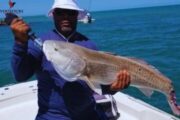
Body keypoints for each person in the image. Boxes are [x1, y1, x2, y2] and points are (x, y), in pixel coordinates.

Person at [10, 0, 130, 120]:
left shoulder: (89, 45)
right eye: (60, 12)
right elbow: (21, 75)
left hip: (88, 114)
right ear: (53, 15)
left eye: (70, 13)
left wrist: (113, 88)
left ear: (77, 15)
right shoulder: (44, 43)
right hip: (52, 116)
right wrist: (20, 42)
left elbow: (96, 86)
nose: (65, 17)